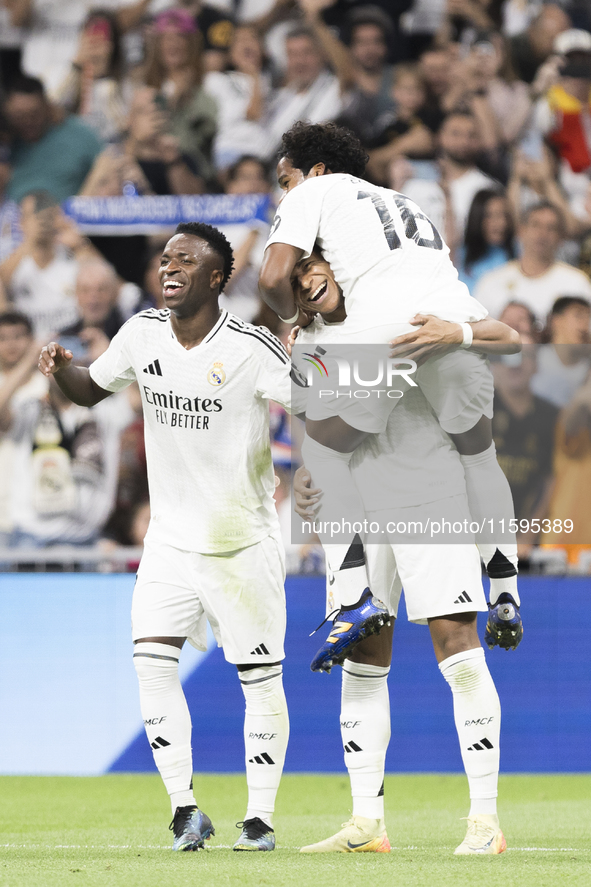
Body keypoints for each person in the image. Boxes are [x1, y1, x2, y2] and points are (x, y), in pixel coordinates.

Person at [38, 221, 292, 853]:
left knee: (258, 682)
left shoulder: (251, 347)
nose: (169, 268)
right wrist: (61, 371)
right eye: (165, 259)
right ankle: (186, 810)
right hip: (170, 543)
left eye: (186, 260)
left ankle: (258, 818)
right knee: (152, 669)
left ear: (216, 277)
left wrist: (310, 473)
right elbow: (90, 392)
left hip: (242, 543)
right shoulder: (143, 332)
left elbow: (322, 412)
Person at [259, 121, 522, 671]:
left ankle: (351, 598)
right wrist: (459, 332)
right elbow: (512, 339)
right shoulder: (406, 205)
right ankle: (505, 587)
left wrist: (293, 316)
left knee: (323, 451)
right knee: (481, 454)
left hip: (387, 344)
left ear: (316, 171)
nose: (286, 193)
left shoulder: (315, 194)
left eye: (286, 180)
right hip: (450, 325)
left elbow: (272, 277)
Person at [289, 253, 512, 856]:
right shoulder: (305, 339)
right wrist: (308, 470)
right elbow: (311, 426)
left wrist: (454, 333)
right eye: (296, 276)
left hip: (426, 493)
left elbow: (506, 335)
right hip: (353, 513)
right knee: (361, 652)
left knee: (455, 642)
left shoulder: (399, 305)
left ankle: (485, 823)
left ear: (339, 265)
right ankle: (366, 824)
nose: (307, 282)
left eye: (314, 268)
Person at [0, 190, 98, 337]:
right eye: (34, 215)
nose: (42, 221)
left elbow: (105, 280)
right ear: (21, 222)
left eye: (47, 215)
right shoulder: (14, 262)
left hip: (71, 341)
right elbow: (3, 280)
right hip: (27, 346)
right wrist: (30, 240)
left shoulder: (72, 255)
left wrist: (80, 243)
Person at [474, 201, 591, 322]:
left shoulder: (576, 284)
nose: (542, 234)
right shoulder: (491, 282)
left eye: (551, 228)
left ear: (561, 237)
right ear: (521, 230)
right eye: (535, 225)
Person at [3, 75, 102, 204]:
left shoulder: (77, 133)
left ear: (47, 107)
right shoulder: (8, 141)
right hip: (13, 219)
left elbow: (107, 162)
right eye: (19, 116)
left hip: (64, 218)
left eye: (34, 114)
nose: (28, 121)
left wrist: (82, 202)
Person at [457, 188, 515, 294]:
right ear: (477, 217)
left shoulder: (517, 251)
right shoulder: (459, 254)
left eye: (505, 216)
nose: (502, 223)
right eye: (492, 216)